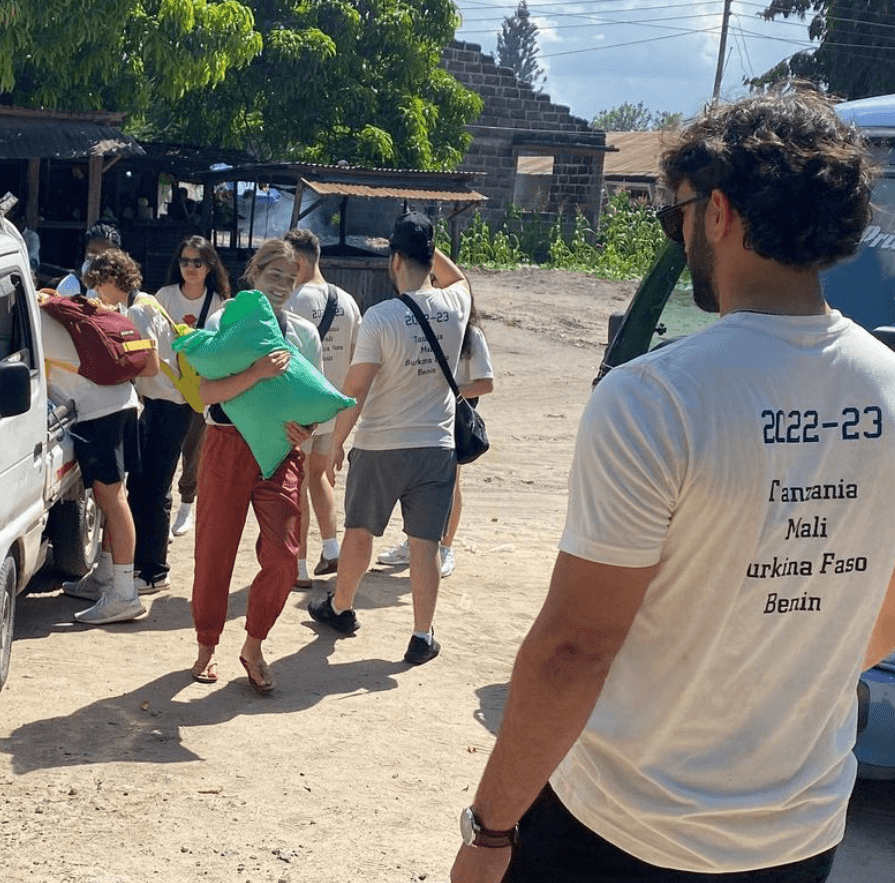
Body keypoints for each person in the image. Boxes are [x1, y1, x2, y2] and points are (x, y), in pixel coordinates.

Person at [450, 86, 895, 883]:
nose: (680, 230)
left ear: (718, 212)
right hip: (799, 834)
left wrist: (488, 831)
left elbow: (574, 648)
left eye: (675, 212)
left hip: (625, 830)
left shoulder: (656, 397)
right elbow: (883, 613)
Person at [307, 212, 472, 665]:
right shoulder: (457, 304)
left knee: (360, 532)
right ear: (428, 257)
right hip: (436, 446)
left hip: (380, 445)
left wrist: (337, 442)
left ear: (395, 259)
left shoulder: (380, 317)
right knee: (425, 545)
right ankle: (422, 635)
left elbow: (356, 390)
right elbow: (459, 278)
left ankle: (341, 607)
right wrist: (427, 244)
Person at [188, 238, 320, 692]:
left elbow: (314, 400)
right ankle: (206, 645)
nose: (282, 285)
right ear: (254, 275)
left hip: (280, 454)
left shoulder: (304, 334)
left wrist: (308, 429)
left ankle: (254, 643)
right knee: (214, 550)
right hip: (226, 444)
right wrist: (258, 372)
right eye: (273, 276)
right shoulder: (225, 320)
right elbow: (204, 393)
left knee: (285, 557)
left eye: (289, 277)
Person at [47, 248, 158, 625]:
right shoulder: (107, 311)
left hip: (100, 413)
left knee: (111, 499)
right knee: (114, 496)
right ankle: (107, 577)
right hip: (124, 403)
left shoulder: (47, 314)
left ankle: (124, 595)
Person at [377, 307, 494, 577]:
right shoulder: (417, 327)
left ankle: (445, 548)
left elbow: (485, 384)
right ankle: (413, 543)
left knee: (450, 481)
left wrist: (444, 394)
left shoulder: (471, 334)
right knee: (414, 481)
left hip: (452, 416)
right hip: (416, 414)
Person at [283, 228, 362, 587]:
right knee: (318, 475)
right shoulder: (348, 301)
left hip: (301, 406)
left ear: (297, 262)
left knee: (296, 483)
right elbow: (355, 359)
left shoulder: (294, 301)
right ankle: (331, 548)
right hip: (333, 405)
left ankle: (297, 568)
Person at [154, 235, 232, 537]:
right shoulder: (164, 295)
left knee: (195, 448)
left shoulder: (218, 303)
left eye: (197, 262)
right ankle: (167, 506)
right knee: (165, 449)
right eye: (184, 261)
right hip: (167, 385)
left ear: (209, 266)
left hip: (203, 386)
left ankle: (187, 506)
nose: (190, 267)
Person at [125, 260, 194, 597]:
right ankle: (142, 564)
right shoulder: (151, 302)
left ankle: (154, 570)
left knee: (153, 489)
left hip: (167, 405)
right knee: (142, 486)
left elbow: (149, 367)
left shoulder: (137, 312)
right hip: (164, 404)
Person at [56, 222, 123, 298]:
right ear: (87, 251)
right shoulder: (70, 284)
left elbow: (138, 301)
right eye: (94, 252)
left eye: (106, 253)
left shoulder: (123, 284)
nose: (99, 257)